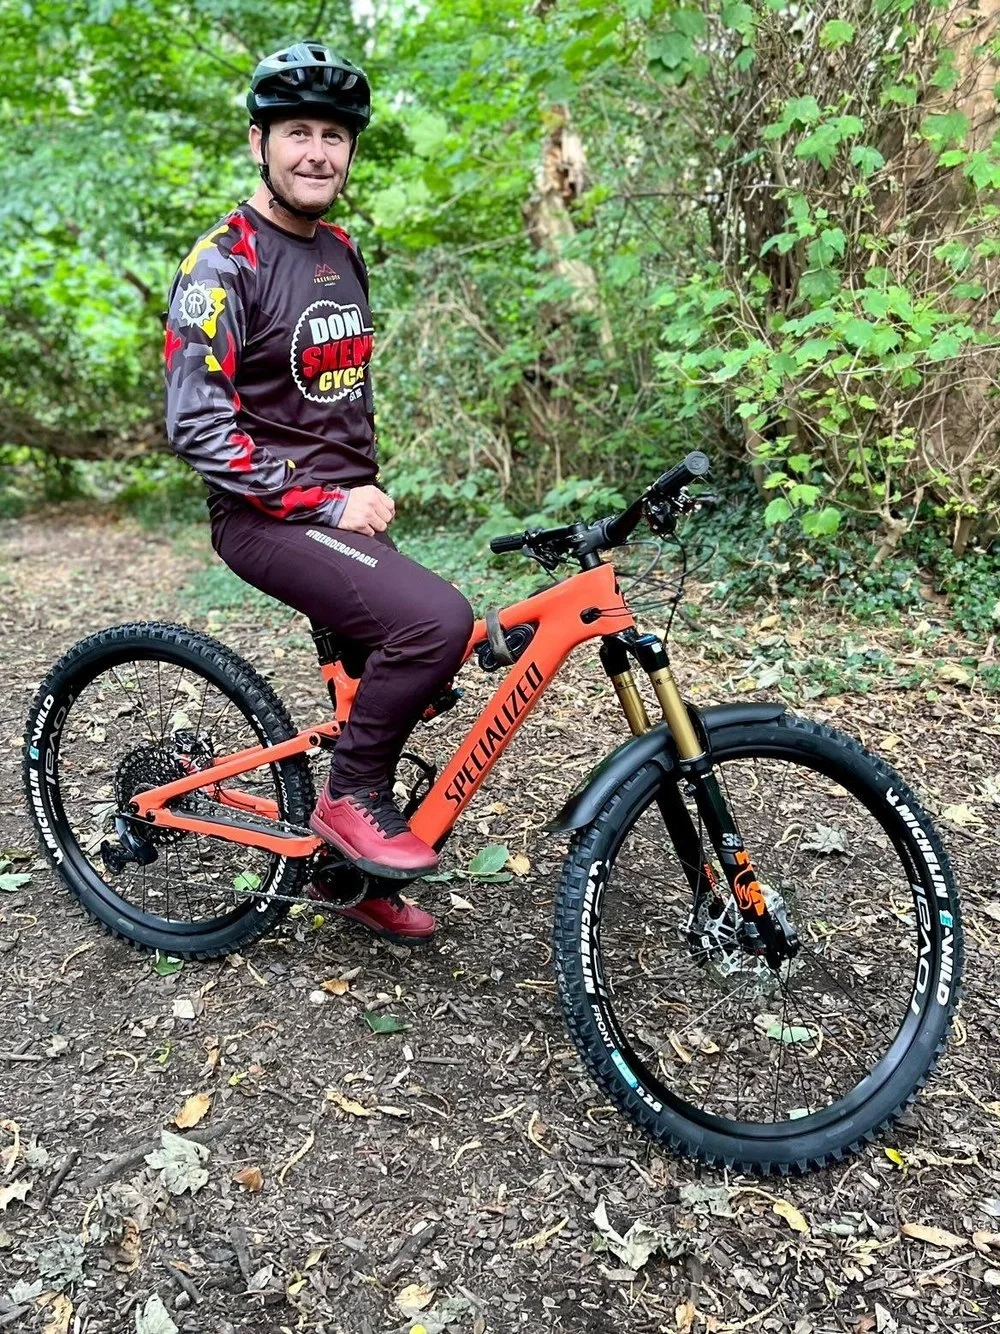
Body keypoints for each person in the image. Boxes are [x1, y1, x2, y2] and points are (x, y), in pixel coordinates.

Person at [163, 41, 474, 945]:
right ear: (260, 142)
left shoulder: (339, 251)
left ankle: (349, 877)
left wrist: (362, 485)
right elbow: (197, 426)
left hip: (343, 512)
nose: (316, 153)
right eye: (297, 132)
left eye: (333, 136)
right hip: (265, 518)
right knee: (436, 623)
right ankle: (353, 800)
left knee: (389, 677)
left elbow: (342, 389)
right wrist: (327, 503)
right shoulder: (224, 264)